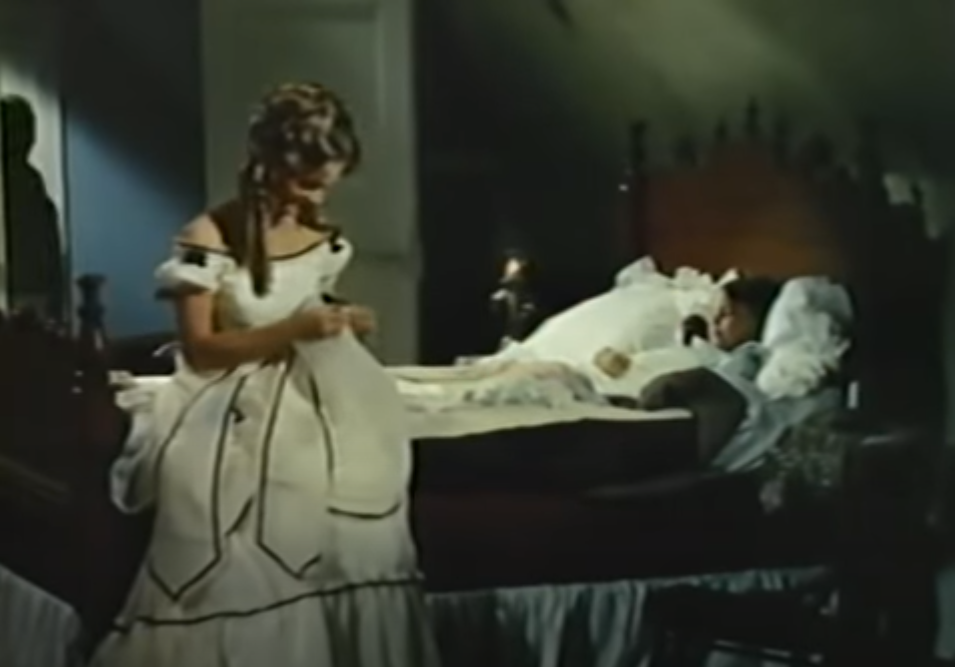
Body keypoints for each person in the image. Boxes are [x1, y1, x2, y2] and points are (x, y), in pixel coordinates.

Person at [91, 82, 441, 667]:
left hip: (312, 383)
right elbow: (202, 350)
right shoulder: (208, 239)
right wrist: (296, 329)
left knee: (363, 486)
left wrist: (339, 318)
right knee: (256, 491)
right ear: (272, 165)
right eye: (307, 182)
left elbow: (308, 302)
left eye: (327, 183)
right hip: (227, 387)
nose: (318, 196)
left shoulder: (321, 236)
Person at [593, 276, 781, 380]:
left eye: (726, 313)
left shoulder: (743, 367)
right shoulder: (697, 344)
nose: (715, 320)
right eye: (716, 312)